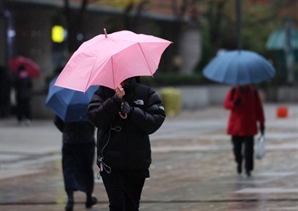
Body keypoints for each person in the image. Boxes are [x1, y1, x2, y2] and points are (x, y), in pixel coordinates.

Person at [87, 77, 166, 211]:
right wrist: (114, 101)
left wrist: (132, 111)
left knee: (132, 206)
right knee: (117, 205)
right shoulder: (102, 93)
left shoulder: (145, 93)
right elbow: (95, 118)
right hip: (110, 165)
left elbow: (155, 121)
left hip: (137, 163)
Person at [54, 115, 98, 211]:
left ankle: (70, 198)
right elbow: (95, 120)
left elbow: (57, 121)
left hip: (69, 141)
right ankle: (88, 197)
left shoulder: (65, 104)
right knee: (87, 169)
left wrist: (66, 131)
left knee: (69, 169)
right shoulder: (88, 103)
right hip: (87, 141)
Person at [224, 85, 265, 177]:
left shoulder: (254, 93)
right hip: (236, 127)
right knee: (236, 149)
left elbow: (259, 110)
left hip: (249, 126)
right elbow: (226, 104)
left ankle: (248, 169)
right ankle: (239, 161)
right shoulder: (233, 91)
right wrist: (234, 103)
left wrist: (262, 124)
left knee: (249, 150)